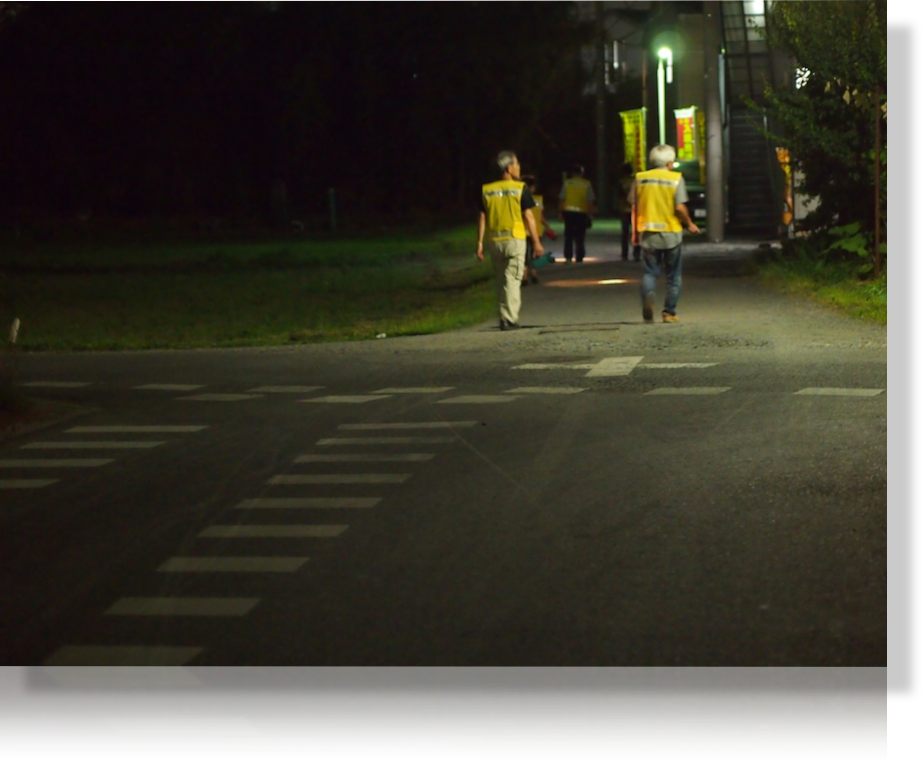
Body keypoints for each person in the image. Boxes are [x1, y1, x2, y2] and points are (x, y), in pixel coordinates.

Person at [629, 144, 700, 323]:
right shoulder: (676, 179)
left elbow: (633, 205)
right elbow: (680, 207)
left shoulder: (640, 178)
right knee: (673, 275)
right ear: (669, 162)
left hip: (648, 232)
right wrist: (690, 224)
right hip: (671, 233)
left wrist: (634, 233)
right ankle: (669, 312)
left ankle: (648, 295)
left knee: (649, 272)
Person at [476, 150, 544, 330]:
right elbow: (529, 217)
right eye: (517, 164)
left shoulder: (486, 190)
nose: (519, 167)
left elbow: (482, 217)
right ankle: (509, 318)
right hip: (515, 239)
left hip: (495, 241)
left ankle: (503, 315)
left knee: (501, 279)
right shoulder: (520, 189)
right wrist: (536, 242)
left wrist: (480, 243)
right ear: (508, 168)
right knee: (513, 278)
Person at [558, 163, 595, 262]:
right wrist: (590, 214)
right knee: (580, 236)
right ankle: (579, 256)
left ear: (573, 173)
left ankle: (568, 256)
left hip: (568, 212)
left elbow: (562, 198)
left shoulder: (567, 183)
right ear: (581, 173)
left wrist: (560, 212)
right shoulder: (586, 184)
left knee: (568, 235)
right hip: (581, 212)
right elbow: (590, 200)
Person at [520, 174, 546, 286]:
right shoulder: (539, 199)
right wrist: (548, 227)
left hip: (523, 230)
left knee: (524, 254)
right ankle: (534, 273)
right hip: (537, 230)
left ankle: (524, 275)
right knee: (535, 254)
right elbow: (541, 216)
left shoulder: (519, 199)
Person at [616, 162, 640, 262]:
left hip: (624, 209)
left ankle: (624, 254)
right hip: (635, 209)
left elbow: (619, 195)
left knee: (625, 233)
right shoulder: (635, 181)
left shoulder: (621, 182)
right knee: (636, 232)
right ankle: (636, 253)